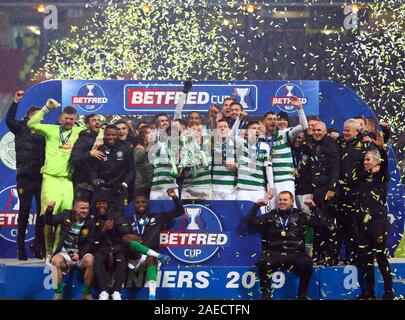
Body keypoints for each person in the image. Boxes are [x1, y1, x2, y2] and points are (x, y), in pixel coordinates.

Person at [27, 100, 85, 261]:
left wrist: (100, 139)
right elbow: (31, 123)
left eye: (72, 119)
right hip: (50, 179)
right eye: (66, 118)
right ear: (60, 118)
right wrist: (45, 108)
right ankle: (47, 251)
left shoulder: (79, 132)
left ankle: (55, 252)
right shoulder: (51, 130)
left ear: (75, 120)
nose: (68, 121)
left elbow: (99, 131)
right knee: (49, 216)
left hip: (67, 182)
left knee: (65, 219)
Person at [246, 191, 323, 300]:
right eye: (280, 200)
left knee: (307, 262)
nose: (282, 202)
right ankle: (266, 294)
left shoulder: (300, 215)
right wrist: (257, 206)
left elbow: (320, 223)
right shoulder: (271, 215)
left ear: (292, 202)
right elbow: (250, 222)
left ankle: (302, 294)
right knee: (262, 261)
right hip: (275, 253)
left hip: (295, 253)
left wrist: (314, 207)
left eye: (285, 200)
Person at [5, 90, 45, 260]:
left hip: (42, 178)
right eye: (38, 116)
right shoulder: (20, 128)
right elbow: (9, 120)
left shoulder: (45, 132)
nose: (41, 119)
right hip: (25, 178)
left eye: (42, 116)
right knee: (24, 212)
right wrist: (15, 102)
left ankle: (38, 246)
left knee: (43, 214)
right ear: (29, 117)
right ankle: (20, 247)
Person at [122, 188, 182, 300]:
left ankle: (152, 295)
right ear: (133, 205)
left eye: (143, 202)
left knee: (152, 256)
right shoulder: (128, 220)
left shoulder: (158, 217)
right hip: (135, 257)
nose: (140, 204)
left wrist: (174, 197)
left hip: (151, 258)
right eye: (137, 202)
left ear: (148, 203)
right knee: (126, 238)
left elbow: (179, 211)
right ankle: (157, 255)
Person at [356, 148, 394, 300]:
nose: (365, 162)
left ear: (377, 162)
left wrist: (382, 151)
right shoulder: (362, 177)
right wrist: (368, 171)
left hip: (378, 222)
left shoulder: (382, 177)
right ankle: (368, 292)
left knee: (380, 256)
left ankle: (388, 292)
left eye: (368, 160)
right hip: (364, 220)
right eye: (364, 160)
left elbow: (385, 166)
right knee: (366, 257)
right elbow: (357, 174)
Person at [260, 96, 308, 210]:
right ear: (263, 122)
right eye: (270, 119)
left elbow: (304, 126)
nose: (273, 121)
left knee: (289, 208)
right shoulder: (260, 138)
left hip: (286, 179)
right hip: (269, 181)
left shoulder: (284, 134)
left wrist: (300, 108)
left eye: (274, 119)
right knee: (271, 210)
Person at [44, 199, 95, 300]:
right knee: (55, 261)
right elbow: (49, 221)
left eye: (87, 208)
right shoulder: (65, 214)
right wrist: (49, 209)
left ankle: (86, 294)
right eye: (82, 208)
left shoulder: (91, 220)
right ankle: (58, 294)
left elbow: (91, 242)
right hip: (65, 254)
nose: (85, 211)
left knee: (90, 260)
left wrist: (80, 254)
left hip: (80, 254)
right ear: (75, 208)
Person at [336, 119, 370, 264]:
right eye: (344, 129)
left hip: (357, 195)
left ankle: (358, 256)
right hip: (340, 194)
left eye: (349, 130)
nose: (345, 132)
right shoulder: (338, 143)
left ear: (357, 131)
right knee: (342, 227)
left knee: (357, 228)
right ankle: (345, 256)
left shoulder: (365, 145)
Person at [309, 121, 340, 266]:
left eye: (319, 130)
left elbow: (335, 167)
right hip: (318, 190)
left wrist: (332, 188)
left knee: (328, 224)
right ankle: (318, 255)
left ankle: (331, 257)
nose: (316, 132)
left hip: (327, 191)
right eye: (314, 130)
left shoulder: (330, 144)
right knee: (317, 224)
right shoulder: (316, 143)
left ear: (325, 131)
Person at [90, 125, 135, 217]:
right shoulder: (99, 149)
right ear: (104, 135)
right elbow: (93, 169)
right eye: (108, 135)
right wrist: (94, 180)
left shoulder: (126, 149)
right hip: (103, 190)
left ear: (117, 135)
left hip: (120, 191)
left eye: (113, 135)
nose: (111, 137)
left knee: (119, 218)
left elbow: (131, 171)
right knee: (101, 218)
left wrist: (124, 185)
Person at [236, 121, 275, 211]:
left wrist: (271, 187)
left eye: (258, 129)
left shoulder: (265, 146)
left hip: (259, 190)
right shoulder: (241, 144)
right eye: (253, 128)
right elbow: (231, 135)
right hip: (243, 191)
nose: (257, 131)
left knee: (262, 219)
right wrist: (239, 119)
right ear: (247, 131)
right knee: (243, 220)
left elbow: (268, 168)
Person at [70, 114, 104, 202]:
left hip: (98, 186)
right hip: (83, 186)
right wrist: (90, 153)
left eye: (98, 120)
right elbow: (74, 160)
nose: (97, 122)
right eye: (93, 120)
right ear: (87, 125)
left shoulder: (103, 139)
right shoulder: (82, 140)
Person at [133, 124, 155, 196]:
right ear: (142, 135)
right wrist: (149, 146)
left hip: (154, 185)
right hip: (141, 185)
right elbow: (138, 158)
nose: (151, 135)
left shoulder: (157, 148)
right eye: (148, 133)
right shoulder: (138, 147)